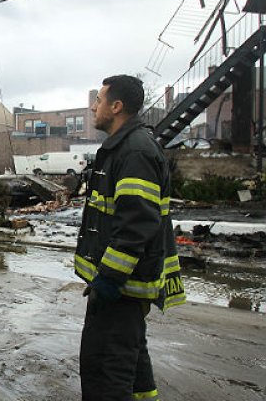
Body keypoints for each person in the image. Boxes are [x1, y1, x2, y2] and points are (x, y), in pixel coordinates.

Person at [75, 75, 186, 401]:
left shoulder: (135, 151)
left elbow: (136, 224)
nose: (94, 106)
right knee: (133, 366)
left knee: (106, 374)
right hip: (124, 288)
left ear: (117, 106)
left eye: (100, 100)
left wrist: (107, 280)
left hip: (122, 289)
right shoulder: (125, 147)